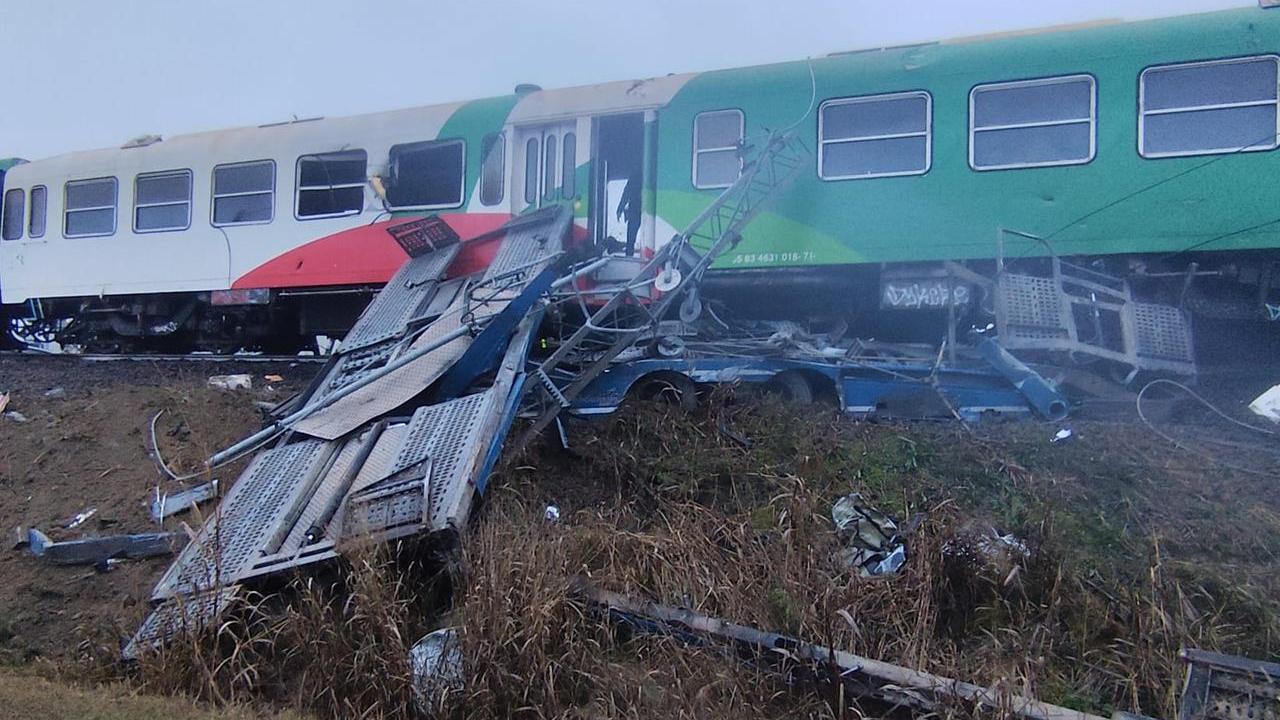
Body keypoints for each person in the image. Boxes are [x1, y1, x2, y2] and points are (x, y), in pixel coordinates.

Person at [615, 171, 642, 257]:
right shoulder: (635, 177)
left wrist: (620, 209)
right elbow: (626, 193)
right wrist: (620, 208)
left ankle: (629, 254)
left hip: (637, 211)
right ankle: (629, 255)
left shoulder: (634, 177)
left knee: (631, 236)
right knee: (631, 237)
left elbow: (626, 193)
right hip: (635, 211)